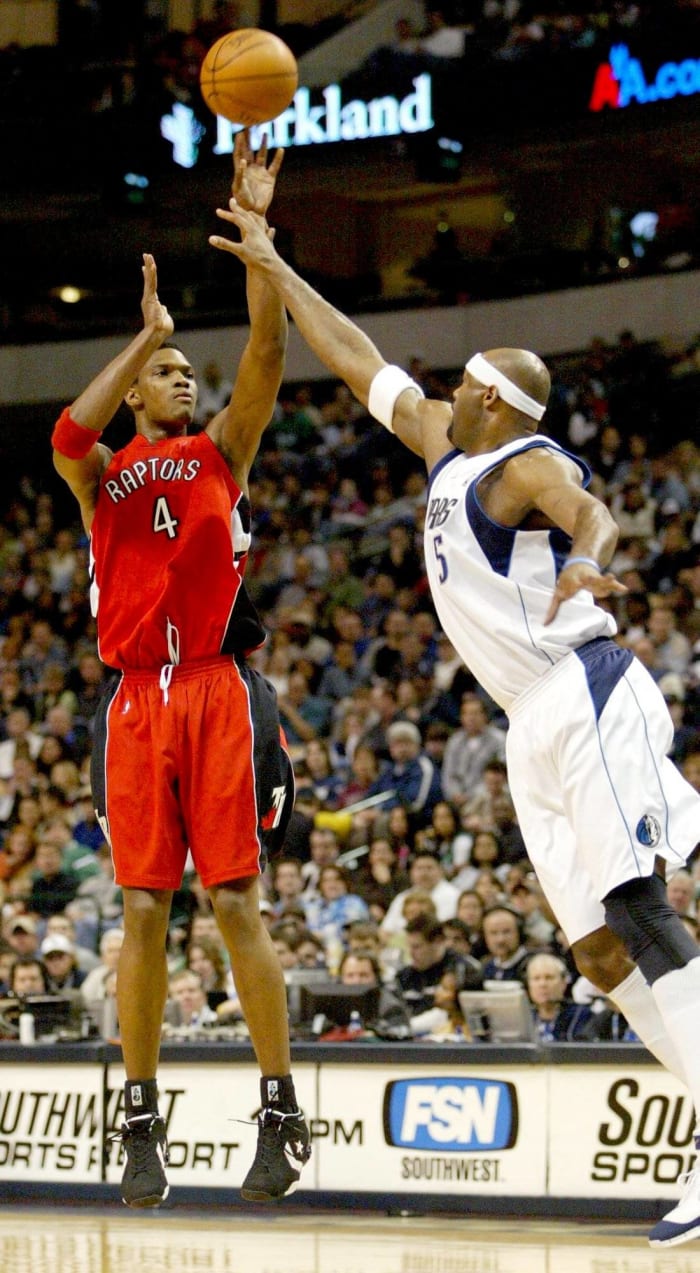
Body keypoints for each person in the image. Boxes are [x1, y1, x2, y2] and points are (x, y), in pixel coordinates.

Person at [210, 204, 700, 1246]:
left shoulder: (520, 458)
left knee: (641, 907)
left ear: (483, 390)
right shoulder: (442, 445)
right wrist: (273, 259)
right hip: (530, 724)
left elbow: (586, 505)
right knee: (602, 955)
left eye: (460, 374)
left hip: (586, 686)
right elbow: (355, 356)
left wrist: (585, 553)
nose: (441, 384)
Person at [50, 134, 310, 1210]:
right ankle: (141, 1119)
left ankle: (281, 1111)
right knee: (143, 915)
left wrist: (258, 244)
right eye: (168, 372)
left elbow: (264, 354)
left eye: (184, 370)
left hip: (212, 687)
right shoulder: (102, 472)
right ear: (138, 393)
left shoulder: (220, 454)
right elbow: (68, 431)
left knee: (235, 902)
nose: (183, 378)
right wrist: (142, 333)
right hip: (133, 702)